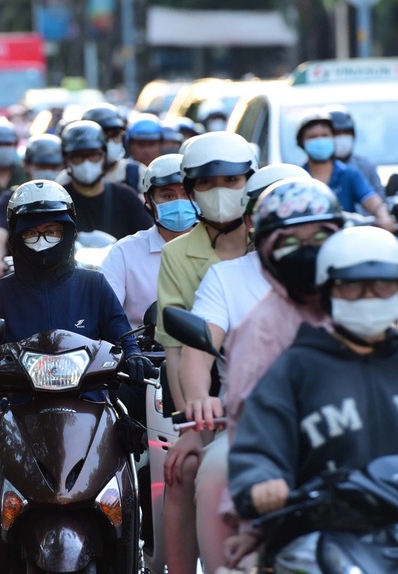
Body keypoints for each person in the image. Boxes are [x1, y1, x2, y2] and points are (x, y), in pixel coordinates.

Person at [228, 226, 398, 549]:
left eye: (382, 285)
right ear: (327, 293)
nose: (369, 296)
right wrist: (262, 481)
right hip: (324, 540)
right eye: (352, 286)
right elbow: (259, 447)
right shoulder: (295, 370)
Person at [179, 173, 340, 572]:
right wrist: (201, 397)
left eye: (317, 236)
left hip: (349, 424)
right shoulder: (231, 283)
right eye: (288, 237)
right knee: (217, 470)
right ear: (257, 225)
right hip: (255, 427)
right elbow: (199, 350)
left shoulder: (349, 283)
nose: (304, 250)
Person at [152, 131, 255, 574]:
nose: (221, 193)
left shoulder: (273, 252)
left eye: (232, 182)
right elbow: (180, 349)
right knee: (183, 471)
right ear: (191, 191)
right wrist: (191, 426)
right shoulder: (179, 255)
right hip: (208, 398)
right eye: (208, 184)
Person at [0, 180, 152, 380]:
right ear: (16, 238)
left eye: (51, 232)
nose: (42, 241)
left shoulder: (94, 284)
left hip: (90, 399)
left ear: (67, 233)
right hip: (16, 403)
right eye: (31, 233)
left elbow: (121, 335)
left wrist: (134, 355)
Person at [100, 154, 195, 329]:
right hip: (141, 352)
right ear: (149, 201)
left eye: (187, 194)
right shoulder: (124, 253)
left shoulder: (218, 249)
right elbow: (105, 313)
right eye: (168, 196)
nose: (180, 203)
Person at [295, 110, 396, 230]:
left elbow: (370, 199)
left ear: (333, 138)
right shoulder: (297, 178)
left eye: (325, 135)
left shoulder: (349, 174)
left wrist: (384, 217)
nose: (320, 141)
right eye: (313, 137)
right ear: (302, 142)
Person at [0, 133, 64, 278]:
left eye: (53, 166)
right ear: (26, 165)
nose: (47, 171)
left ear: (63, 166)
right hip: (23, 277)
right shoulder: (13, 198)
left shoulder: (68, 197)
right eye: (41, 165)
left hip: (67, 275)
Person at [57, 120, 152, 240]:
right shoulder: (58, 202)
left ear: (105, 157)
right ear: (66, 160)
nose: (87, 162)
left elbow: (145, 242)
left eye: (93, 155)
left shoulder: (127, 198)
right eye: (78, 157)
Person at [326, 104, 384, 201]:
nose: (342, 138)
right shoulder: (309, 171)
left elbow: (379, 203)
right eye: (337, 133)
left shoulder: (364, 168)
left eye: (346, 133)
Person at [80, 103, 144, 190]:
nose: (109, 142)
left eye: (115, 135)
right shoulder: (71, 177)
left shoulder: (137, 173)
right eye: (103, 136)